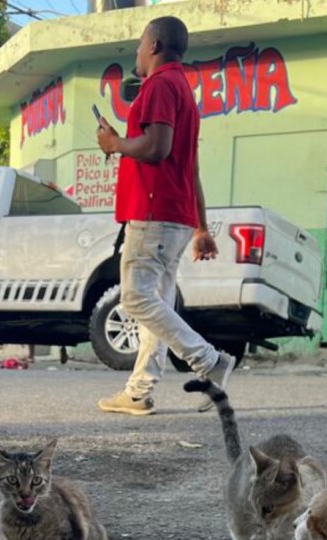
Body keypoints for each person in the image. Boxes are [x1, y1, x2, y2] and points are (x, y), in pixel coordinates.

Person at [95, 16, 234, 416]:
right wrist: (201, 226)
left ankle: (211, 362)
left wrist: (113, 142)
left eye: (139, 44)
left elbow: (155, 148)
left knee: (136, 298)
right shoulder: (183, 92)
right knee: (157, 303)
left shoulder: (158, 86)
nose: (136, 53)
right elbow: (190, 166)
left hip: (153, 213)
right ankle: (138, 391)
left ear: (154, 45)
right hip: (174, 217)